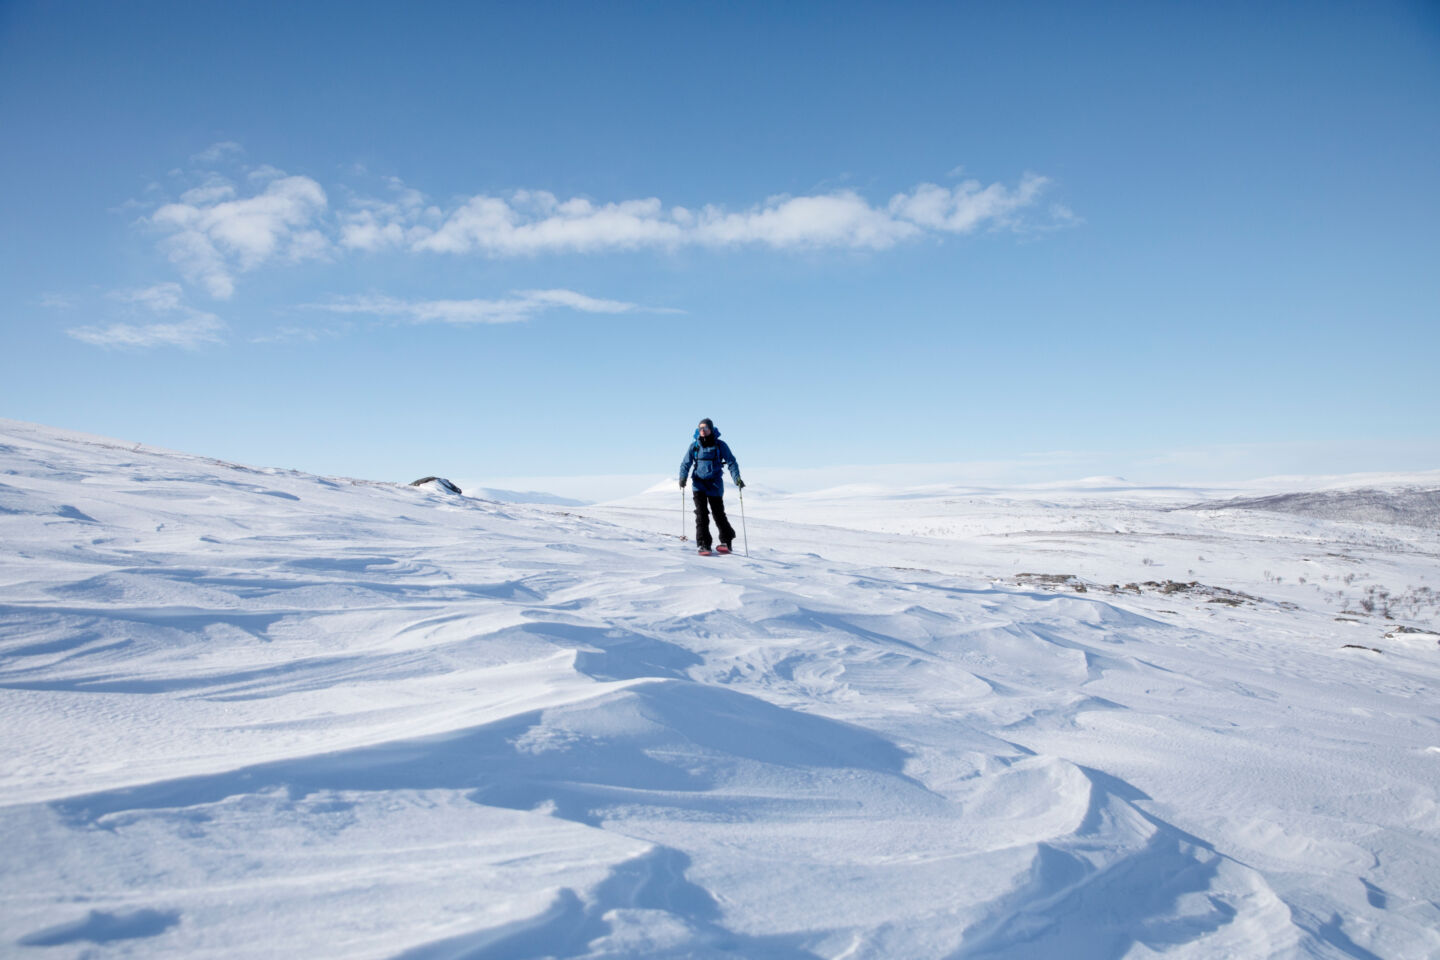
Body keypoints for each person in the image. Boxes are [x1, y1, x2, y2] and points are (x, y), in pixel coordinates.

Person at [679, 418, 744, 554]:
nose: (703, 431)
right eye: (700, 428)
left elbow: (731, 462)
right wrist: (683, 477)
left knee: (718, 514)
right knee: (701, 515)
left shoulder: (720, 445)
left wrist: (737, 478)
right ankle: (703, 544)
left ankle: (726, 541)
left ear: (711, 429)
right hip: (698, 483)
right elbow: (686, 463)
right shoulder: (694, 446)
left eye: (706, 428)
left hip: (715, 484)